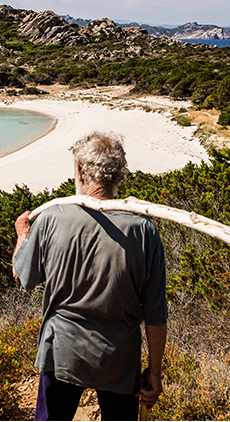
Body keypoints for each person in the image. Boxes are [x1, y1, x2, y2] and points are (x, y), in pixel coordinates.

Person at [13, 131, 167, 421]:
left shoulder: (51, 218)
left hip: (62, 350)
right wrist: (154, 371)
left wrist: (22, 235)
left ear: (80, 172)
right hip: (118, 357)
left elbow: (23, 277)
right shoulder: (144, 231)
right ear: (119, 175)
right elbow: (155, 313)